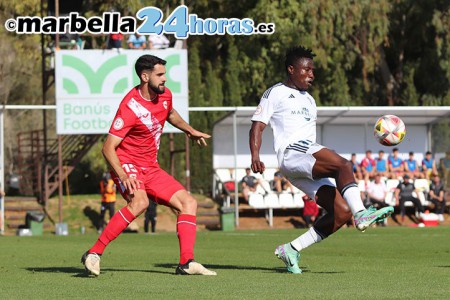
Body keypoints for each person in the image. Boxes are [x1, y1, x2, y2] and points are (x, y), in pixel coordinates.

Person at [249, 46, 393, 274]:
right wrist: (255, 156)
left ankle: (292, 248)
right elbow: (257, 126)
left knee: (342, 211)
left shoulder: (310, 100)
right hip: (292, 153)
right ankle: (362, 213)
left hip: (303, 160)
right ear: (291, 69)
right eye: (306, 70)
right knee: (343, 165)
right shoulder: (275, 93)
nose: (311, 74)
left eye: (312, 70)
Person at [81, 54, 216, 276]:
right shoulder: (130, 106)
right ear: (145, 76)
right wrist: (124, 176)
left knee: (188, 203)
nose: (165, 79)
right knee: (140, 202)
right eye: (160, 74)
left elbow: (170, 113)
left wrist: (189, 130)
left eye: (165, 74)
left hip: (150, 167)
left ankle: (186, 263)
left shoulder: (165, 95)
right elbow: (108, 148)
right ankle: (94, 253)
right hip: (127, 164)